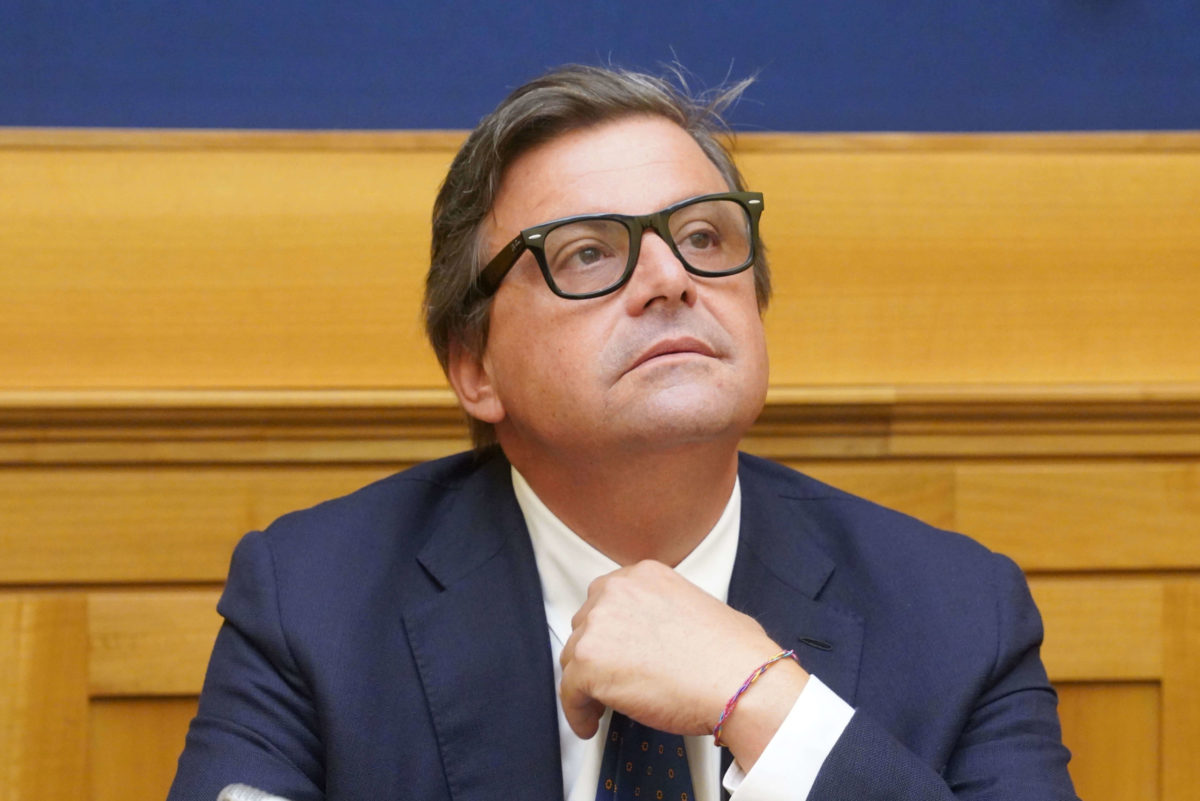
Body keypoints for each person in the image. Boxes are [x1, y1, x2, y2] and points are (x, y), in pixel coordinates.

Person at [168, 65, 1078, 801]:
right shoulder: (313, 606)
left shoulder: (960, 615)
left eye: (705, 237)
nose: (671, 278)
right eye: (588, 252)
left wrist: (765, 702)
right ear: (475, 367)